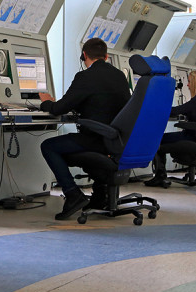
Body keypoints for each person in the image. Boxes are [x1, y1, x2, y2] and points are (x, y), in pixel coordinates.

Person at [38, 38, 131, 220]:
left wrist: (46, 102)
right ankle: (99, 195)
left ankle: (73, 194)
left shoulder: (85, 77)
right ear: (106, 56)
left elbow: (58, 108)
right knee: (69, 145)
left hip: (96, 140)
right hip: (117, 140)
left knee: (48, 146)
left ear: (84, 56)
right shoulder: (120, 76)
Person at [147, 69, 196, 186]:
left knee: (157, 140)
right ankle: (160, 175)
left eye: (189, 82)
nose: (187, 85)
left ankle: (160, 176)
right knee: (160, 139)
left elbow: (178, 110)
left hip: (192, 136)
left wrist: (154, 109)